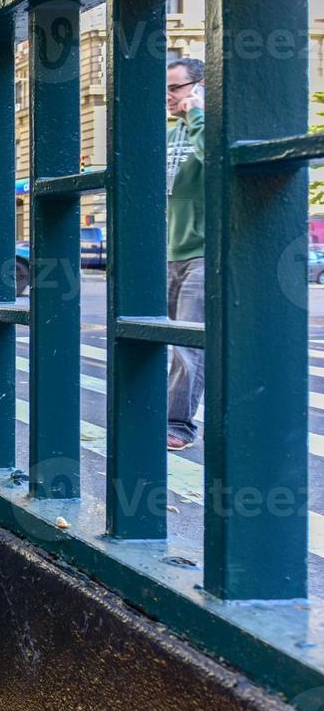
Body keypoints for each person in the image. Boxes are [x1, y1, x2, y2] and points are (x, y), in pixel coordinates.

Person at [165, 56, 206, 451]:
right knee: (155, 337)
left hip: (203, 252)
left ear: (198, 86)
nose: (169, 96)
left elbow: (215, 158)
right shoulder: (173, 133)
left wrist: (196, 115)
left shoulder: (203, 126)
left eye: (176, 87)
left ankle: (179, 426)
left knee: (187, 343)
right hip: (170, 251)